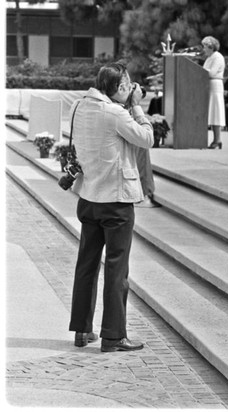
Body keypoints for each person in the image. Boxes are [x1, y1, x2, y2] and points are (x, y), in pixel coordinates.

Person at [69, 63, 154, 353]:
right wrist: (138, 107)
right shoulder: (115, 113)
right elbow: (146, 138)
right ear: (118, 88)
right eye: (128, 85)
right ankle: (113, 336)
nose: (132, 89)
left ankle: (82, 330)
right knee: (117, 270)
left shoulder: (79, 107)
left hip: (89, 197)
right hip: (116, 202)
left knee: (86, 266)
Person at [201, 36, 226, 149]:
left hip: (215, 85)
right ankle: (216, 139)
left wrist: (200, 71)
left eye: (205, 47)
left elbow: (212, 73)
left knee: (216, 112)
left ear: (211, 47)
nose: (203, 49)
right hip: (208, 85)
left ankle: (217, 139)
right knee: (212, 112)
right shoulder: (209, 57)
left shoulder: (217, 57)